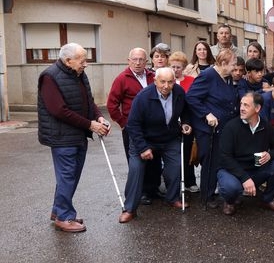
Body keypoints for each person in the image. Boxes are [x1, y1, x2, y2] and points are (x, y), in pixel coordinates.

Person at [38, 43, 110, 232]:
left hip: (78, 135)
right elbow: (59, 110)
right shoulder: (49, 76)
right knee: (67, 176)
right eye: (82, 60)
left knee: (71, 176)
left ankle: (59, 211)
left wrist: (98, 117)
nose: (86, 64)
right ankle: (64, 217)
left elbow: (88, 101)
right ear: (68, 60)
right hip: (62, 137)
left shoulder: (79, 73)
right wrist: (90, 125)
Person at [118, 68, 192, 223]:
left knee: (176, 167)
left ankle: (172, 198)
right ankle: (130, 208)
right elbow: (133, 125)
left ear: (174, 81)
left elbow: (185, 110)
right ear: (155, 81)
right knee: (136, 170)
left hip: (169, 138)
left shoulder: (178, 92)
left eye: (170, 82)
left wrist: (186, 123)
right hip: (144, 139)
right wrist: (143, 148)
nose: (166, 86)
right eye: (162, 82)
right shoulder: (143, 97)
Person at [217, 92, 274, 215]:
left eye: (246, 105)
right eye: (241, 104)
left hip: (255, 169)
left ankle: (267, 199)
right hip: (232, 171)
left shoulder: (266, 126)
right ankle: (229, 201)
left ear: (257, 108)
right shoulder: (231, 127)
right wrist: (245, 178)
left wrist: (270, 155)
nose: (241, 108)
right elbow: (224, 157)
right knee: (230, 188)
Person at [185, 49, 240, 205]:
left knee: (218, 160)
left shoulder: (227, 77)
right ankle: (207, 197)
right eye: (233, 64)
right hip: (208, 129)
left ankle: (215, 191)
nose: (235, 67)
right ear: (223, 63)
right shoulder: (208, 75)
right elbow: (191, 97)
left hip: (224, 127)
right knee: (210, 161)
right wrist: (206, 114)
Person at [107, 47, 160, 203]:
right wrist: (124, 123)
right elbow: (112, 105)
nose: (137, 63)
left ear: (146, 61)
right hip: (133, 128)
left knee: (154, 159)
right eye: (134, 59)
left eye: (141, 59)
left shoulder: (153, 77)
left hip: (153, 128)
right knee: (137, 161)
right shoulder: (122, 79)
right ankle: (141, 192)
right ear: (128, 61)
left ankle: (153, 189)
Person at [169, 51, 199, 194]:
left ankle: (190, 181)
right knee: (173, 153)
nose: (175, 70)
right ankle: (173, 182)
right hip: (171, 122)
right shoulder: (166, 81)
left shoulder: (191, 81)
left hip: (188, 121)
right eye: (173, 67)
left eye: (178, 67)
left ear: (184, 68)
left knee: (187, 151)